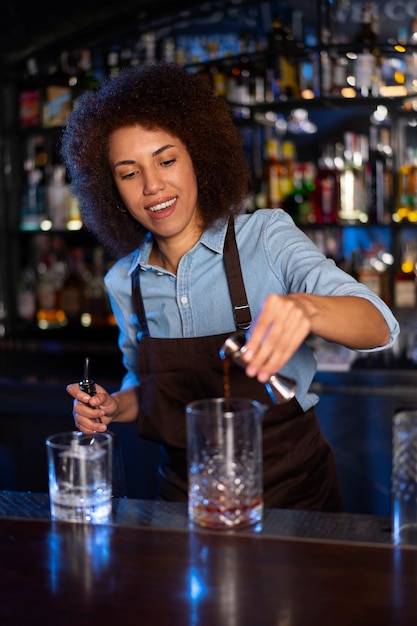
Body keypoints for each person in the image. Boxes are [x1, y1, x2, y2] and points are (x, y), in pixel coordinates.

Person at [62, 63, 399, 511]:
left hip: (293, 501)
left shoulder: (265, 237)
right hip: (186, 503)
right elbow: (145, 387)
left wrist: (309, 309)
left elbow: (380, 326)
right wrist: (112, 407)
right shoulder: (125, 281)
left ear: (197, 156)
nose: (153, 185)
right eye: (129, 173)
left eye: (166, 160)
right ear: (111, 189)